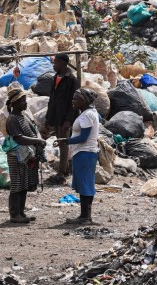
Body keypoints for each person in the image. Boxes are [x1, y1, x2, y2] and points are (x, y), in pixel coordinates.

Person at [56, 89, 100, 225]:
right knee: (86, 184)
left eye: (76, 99)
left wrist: (66, 140)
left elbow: (83, 137)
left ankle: (85, 217)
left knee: (85, 185)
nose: (73, 101)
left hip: (84, 153)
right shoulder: (90, 113)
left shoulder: (86, 116)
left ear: (84, 101)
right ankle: (86, 216)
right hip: (87, 153)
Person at [5, 87, 45, 224]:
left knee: (24, 184)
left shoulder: (24, 116)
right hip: (17, 156)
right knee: (17, 185)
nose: (25, 103)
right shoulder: (12, 119)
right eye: (22, 101)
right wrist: (37, 141)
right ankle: (14, 214)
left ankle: (21, 212)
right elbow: (19, 138)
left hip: (25, 155)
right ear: (15, 103)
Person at [41, 53, 79, 184]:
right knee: (61, 142)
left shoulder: (71, 80)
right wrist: (48, 119)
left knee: (63, 144)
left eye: (56, 62)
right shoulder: (55, 78)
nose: (53, 65)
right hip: (55, 116)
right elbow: (52, 100)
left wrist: (68, 120)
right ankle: (66, 169)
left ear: (63, 64)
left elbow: (73, 102)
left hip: (65, 118)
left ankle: (61, 173)